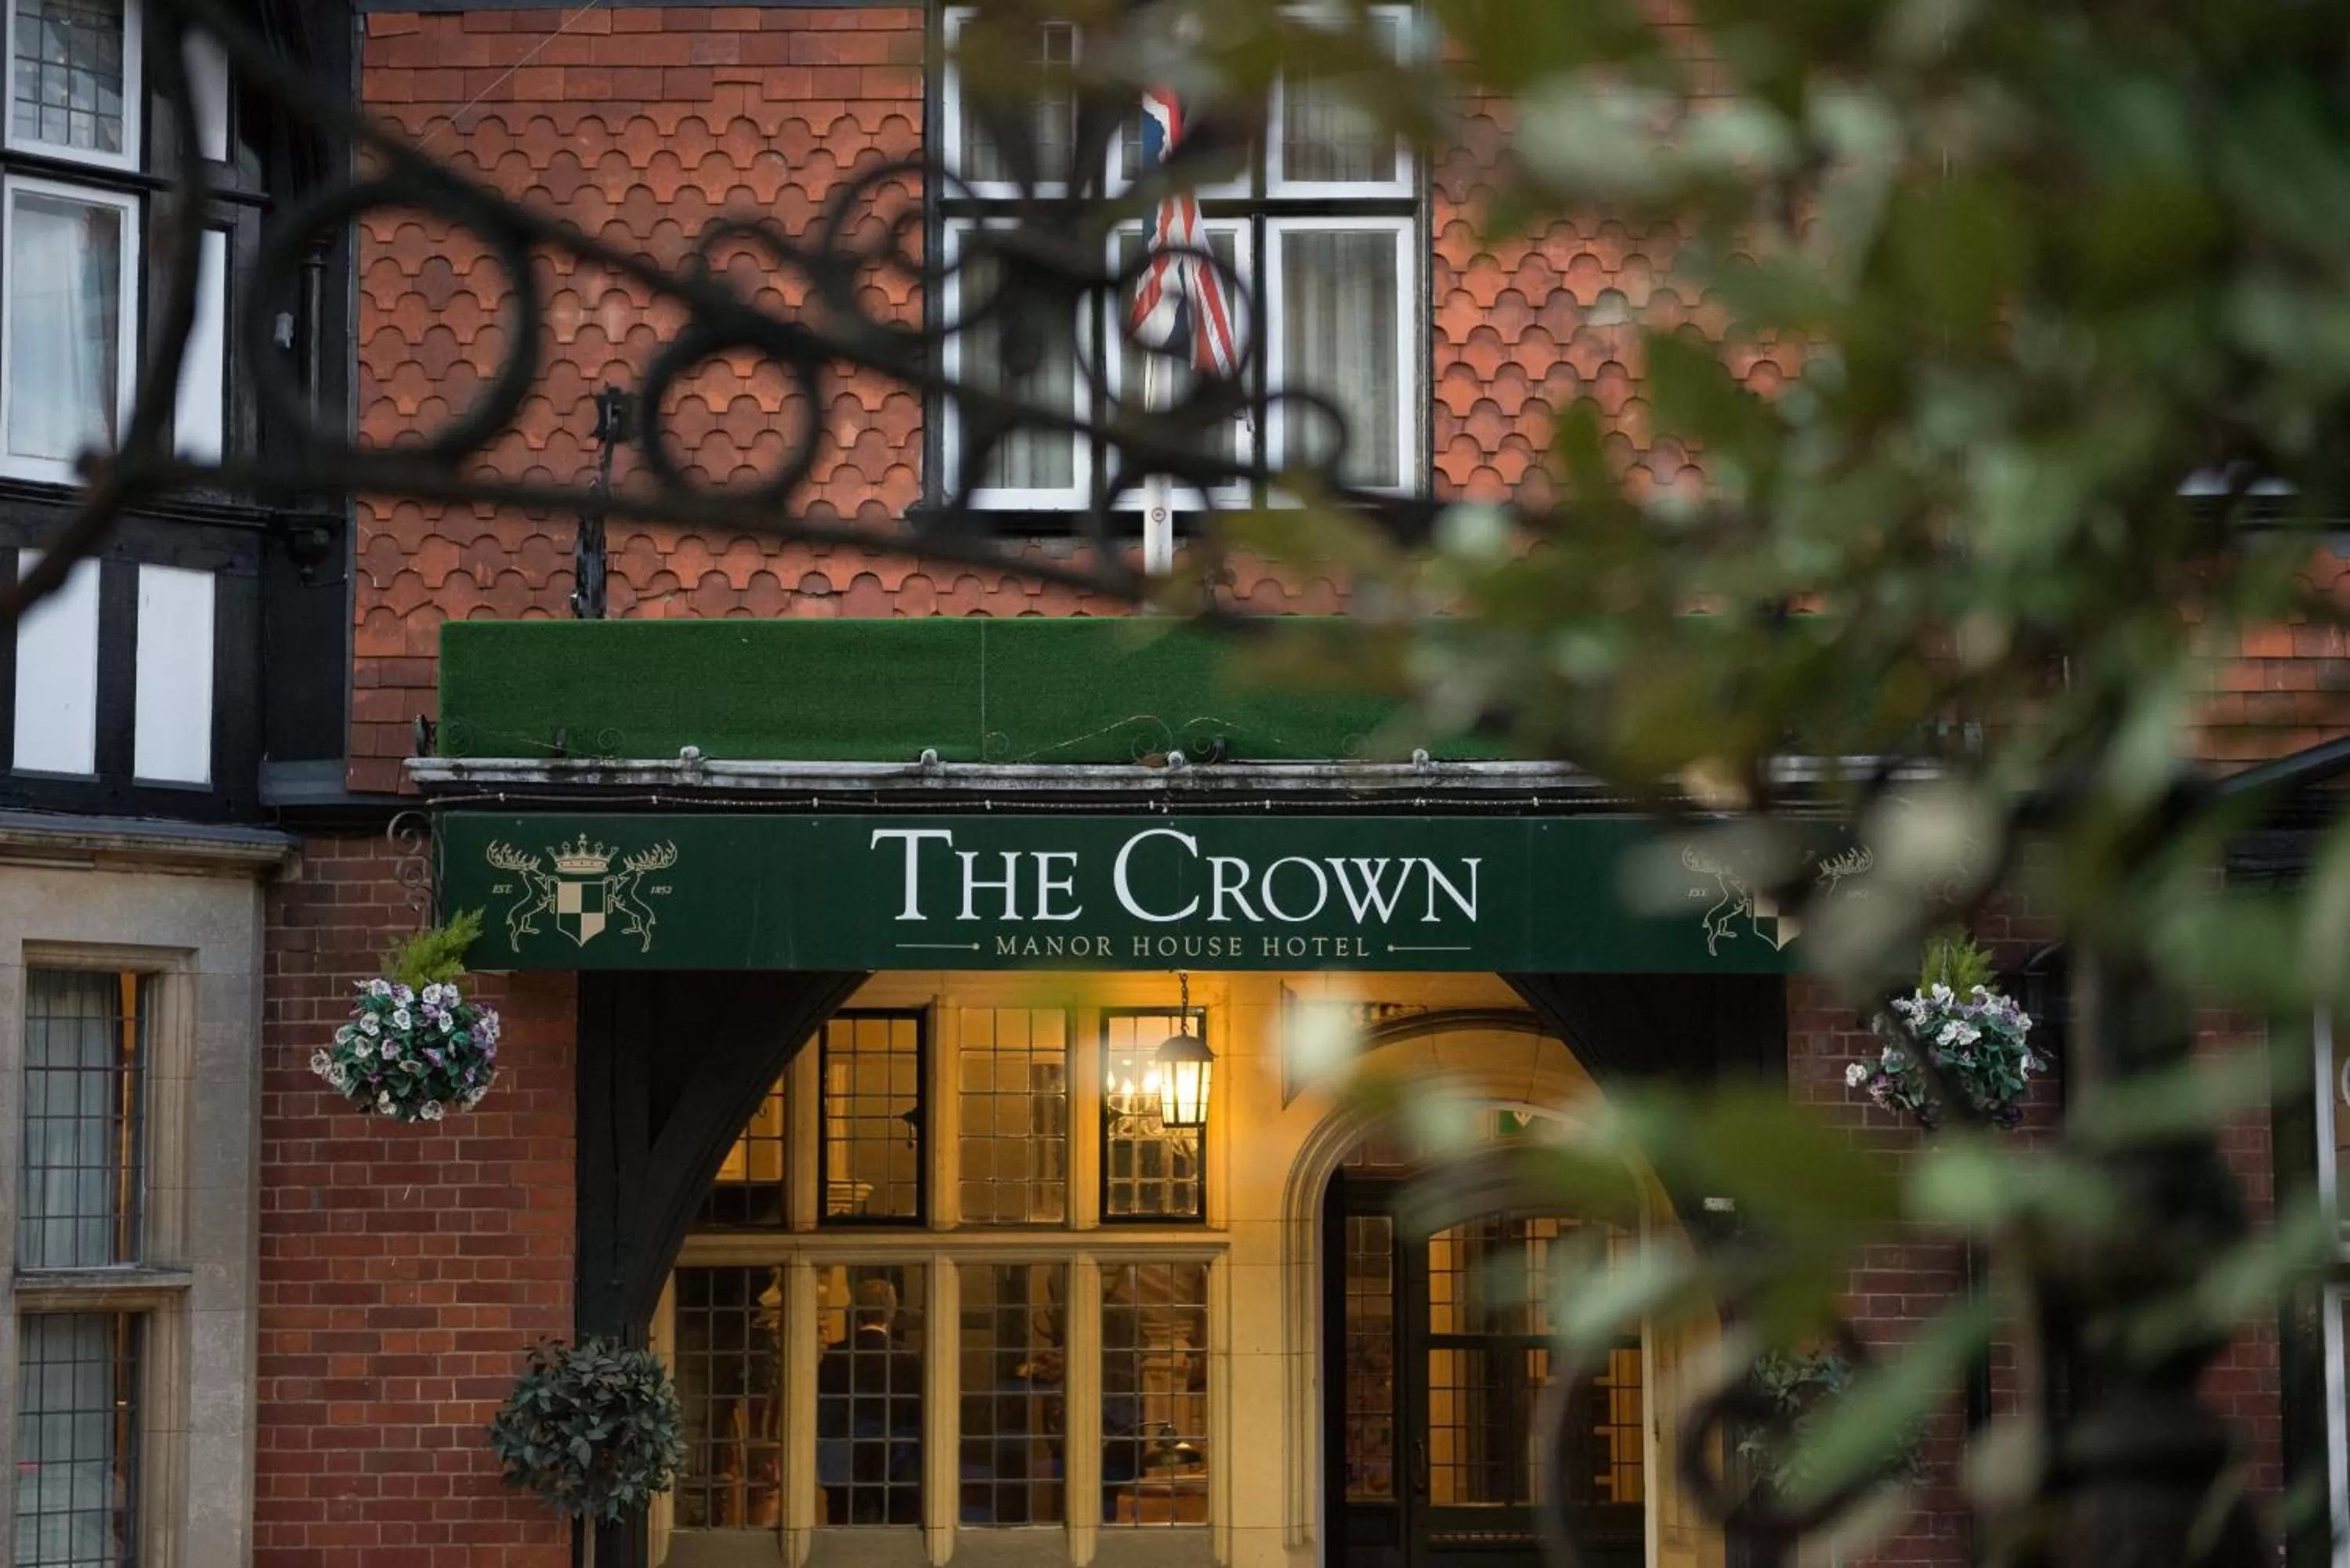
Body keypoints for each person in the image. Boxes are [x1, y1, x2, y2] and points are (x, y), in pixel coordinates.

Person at [817, 1276, 924, 1524]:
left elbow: (824, 1415)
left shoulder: (835, 1357)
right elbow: (918, 1419)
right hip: (897, 1464)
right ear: (892, 1313)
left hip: (844, 1464)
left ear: (857, 1312)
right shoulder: (907, 1359)